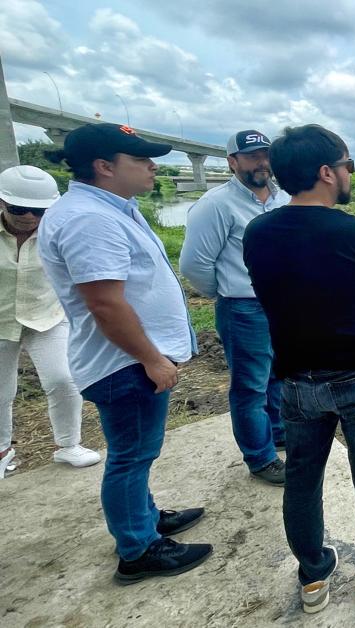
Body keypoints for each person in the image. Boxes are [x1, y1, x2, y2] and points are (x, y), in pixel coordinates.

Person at [243, 125, 355, 616]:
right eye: (348, 165)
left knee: (302, 478)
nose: (349, 174)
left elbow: (272, 295)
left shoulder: (258, 232)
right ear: (326, 172)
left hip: (297, 380)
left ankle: (314, 578)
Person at [37, 123, 211, 584]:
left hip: (131, 359)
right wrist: (152, 358)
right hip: (125, 362)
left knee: (137, 453)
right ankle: (138, 548)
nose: (153, 167)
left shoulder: (111, 208)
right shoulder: (88, 219)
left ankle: (146, 518)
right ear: (104, 166)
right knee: (131, 456)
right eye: (141, 160)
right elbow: (104, 303)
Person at [179, 130, 289, 486]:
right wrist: (228, 292)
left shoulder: (281, 198)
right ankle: (260, 457)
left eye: (266, 155)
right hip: (244, 309)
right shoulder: (216, 204)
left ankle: (278, 432)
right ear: (233, 162)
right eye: (253, 156)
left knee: (278, 374)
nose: (262, 163)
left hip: (281, 305)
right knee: (250, 387)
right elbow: (195, 265)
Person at [0, 165, 101, 478]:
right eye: (19, 209)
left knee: (62, 378)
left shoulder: (57, 229)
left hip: (48, 315)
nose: (30, 217)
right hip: (1, 318)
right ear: (2, 203)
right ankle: (2, 449)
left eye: (39, 210)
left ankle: (68, 445)